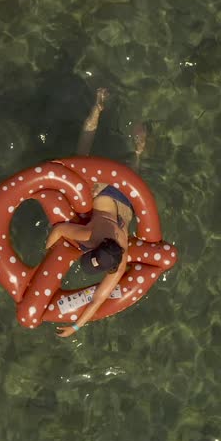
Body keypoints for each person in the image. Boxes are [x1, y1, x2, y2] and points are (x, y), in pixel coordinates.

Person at [44, 88, 148, 338]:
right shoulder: (90, 235)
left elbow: (98, 300)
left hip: (124, 203)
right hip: (103, 190)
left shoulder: (120, 255)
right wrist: (48, 250)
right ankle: (97, 111)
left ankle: (138, 152)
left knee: (132, 178)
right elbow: (58, 230)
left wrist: (77, 325)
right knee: (79, 158)